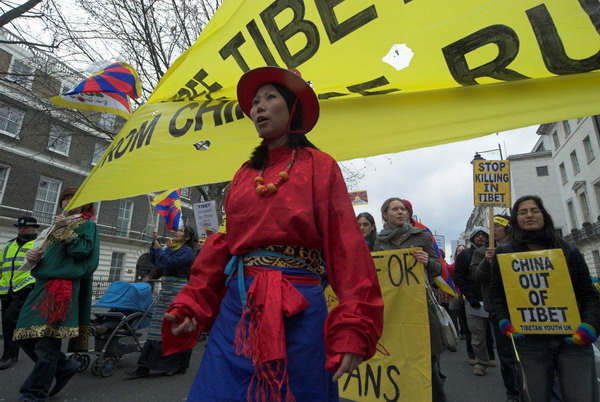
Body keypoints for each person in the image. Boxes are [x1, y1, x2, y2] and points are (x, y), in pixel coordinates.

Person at [161, 67, 384, 401]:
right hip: (238, 309)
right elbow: (222, 245)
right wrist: (193, 304)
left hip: (299, 310)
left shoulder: (320, 166)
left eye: (270, 97)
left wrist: (353, 326)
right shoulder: (243, 175)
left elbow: (346, 246)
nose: (258, 107)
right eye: (254, 102)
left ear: (292, 106)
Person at [489, 195, 600, 401]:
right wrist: (503, 320)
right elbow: (496, 296)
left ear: (544, 215)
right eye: (522, 212)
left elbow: (589, 295)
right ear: (515, 219)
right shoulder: (503, 255)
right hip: (530, 343)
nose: (529, 215)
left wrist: (591, 326)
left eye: (534, 210)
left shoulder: (569, 251)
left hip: (573, 341)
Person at [14, 187, 99, 400]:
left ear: (85, 203)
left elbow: (81, 251)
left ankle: (33, 393)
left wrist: (63, 231)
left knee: (47, 342)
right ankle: (64, 365)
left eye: (74, 198)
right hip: (42, 285)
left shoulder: (87, 225)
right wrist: (34, 257)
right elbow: (48, 256)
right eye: (66, 198)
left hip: (61, 288)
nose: (68, 202)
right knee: (24, 334)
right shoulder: (56, 226)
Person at [375, 197, 447, 402]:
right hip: (394, 310)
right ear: (385, 214)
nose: (400, 212)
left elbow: (438, 269)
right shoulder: (379, 241)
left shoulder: (421, 236)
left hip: (420, 308)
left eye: (403, 209)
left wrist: (427, 262)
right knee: (400, 362)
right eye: (395, 209)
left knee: (427, 365)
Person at [126, 226, 197, 378]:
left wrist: (160, 251)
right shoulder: (171, 248)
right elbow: (158, 262)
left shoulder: (187, 252)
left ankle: (174, 365)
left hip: (178, 291)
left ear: (187, 237)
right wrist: (155, 246)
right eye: (178, 230)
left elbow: (169, 263)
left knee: (173, 326)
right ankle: (143, 366)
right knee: (156, 326)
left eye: (181, 231)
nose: (177, 232)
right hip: (166, 290)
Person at [471, 215, 521, 400]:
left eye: (497, 226)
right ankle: (513, 393)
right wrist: (486, 261)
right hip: (498, 308)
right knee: (507, 355)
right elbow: (476, 276)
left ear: (507, 228)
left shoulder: (521, 247)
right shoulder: (482, 252)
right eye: (490, 227)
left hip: (522, 305)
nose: (492, 230)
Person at [452, 226, 496, 376]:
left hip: (492, 299)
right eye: (478, 235)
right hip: (474, 301)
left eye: (484, 235)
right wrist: (470, 298)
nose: (481, 238)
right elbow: (458, 278)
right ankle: (481, 361)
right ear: (472, 238)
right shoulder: (465, 254)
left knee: (493, 332)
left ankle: (491, 357)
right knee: (477, 334)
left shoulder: (495, 251)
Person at [0, 217, 39, 370]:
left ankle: (9, 355)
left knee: (10, 319)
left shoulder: (38, 244)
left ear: (34, 229)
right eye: (20, 228)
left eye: (26, 228)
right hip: (6, 289)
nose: (22, 230)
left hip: (25, 287)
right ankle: (14, 352)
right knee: (6, 322)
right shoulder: (9, 245)